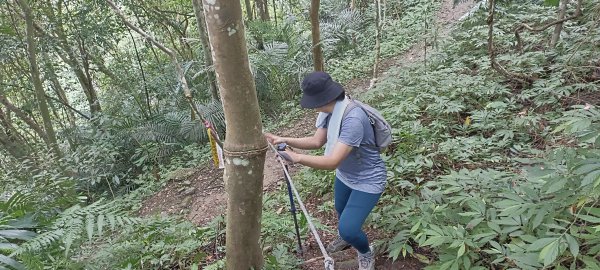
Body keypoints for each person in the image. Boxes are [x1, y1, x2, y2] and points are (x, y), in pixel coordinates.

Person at [265, 71, 386, 270]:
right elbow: (316, 141)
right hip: (346, 175)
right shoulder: (330, 111)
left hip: (368, 179)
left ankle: (365, 253)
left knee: (348, 228)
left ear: (321, 99)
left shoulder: (352, 118)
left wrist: (297, 158)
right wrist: (284, 139)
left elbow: (332, 162)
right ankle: (347, 238)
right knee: (340, 209)